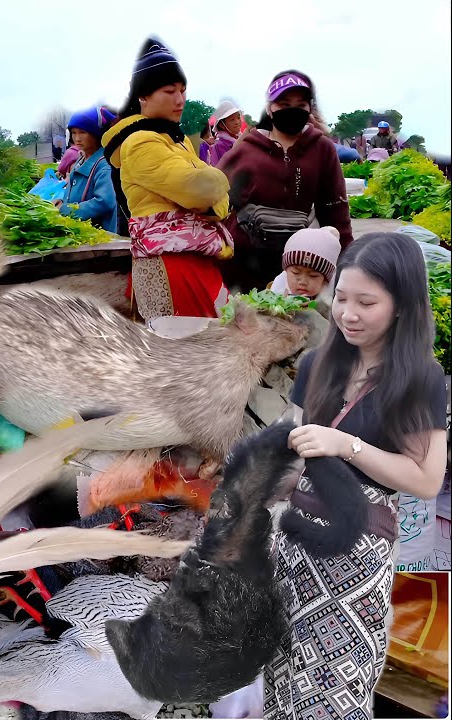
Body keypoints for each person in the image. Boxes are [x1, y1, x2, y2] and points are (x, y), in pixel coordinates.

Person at [266, 232, 447, 719]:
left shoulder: (420, 379)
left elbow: (426, 479)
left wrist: (348, 445)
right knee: (283, 680)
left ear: (402, 305)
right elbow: (291, 442)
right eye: (342, 297)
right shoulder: (316, 364)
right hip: (296, 548)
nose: (347, 314)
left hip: (356, 560)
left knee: (334, 692)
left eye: (366, 302)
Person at [101, 37, 234, 320]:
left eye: (183, 90)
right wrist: (221, 181)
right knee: (184, 351)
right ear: (143, 97)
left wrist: (212, 200)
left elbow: (218, 203)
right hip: (169, 266)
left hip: (194, 259)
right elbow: (204, 188)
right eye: (169, 90)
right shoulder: (140, 143)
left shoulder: (176, 140)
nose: (180, 99)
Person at [219, 70, 354, 292]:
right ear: (270, 108)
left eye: (300, 105)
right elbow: (217, 201)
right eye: (284, 104)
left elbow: (336, 213)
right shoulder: (247, 148)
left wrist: (348, 264)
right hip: (243, 264)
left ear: (309, 109)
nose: (292, 110)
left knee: (290, 322)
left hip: (296, 267)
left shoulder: (322, 149)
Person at [56, 106, 119, 233]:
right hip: (79, 230)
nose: (77, 138)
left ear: (96, 134)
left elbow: (104, 202)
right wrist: (62, 201)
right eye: (74, 133)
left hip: (98, 235)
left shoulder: (104, 164)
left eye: (83, 132)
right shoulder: (82, 158)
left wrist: (65, 209)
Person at [269, 227, 342, 301]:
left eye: (313, 276)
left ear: (325, 279)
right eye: (296, 272)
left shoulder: (333, 297)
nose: (303, 282)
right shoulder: (278, 288)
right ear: (286, 271)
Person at [208, 100, 243, 166]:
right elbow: (219, 170)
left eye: (238, 118)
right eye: (232, 119)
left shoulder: (242, 139)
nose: (237, 122)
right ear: (222, 125)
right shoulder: (219, 146)